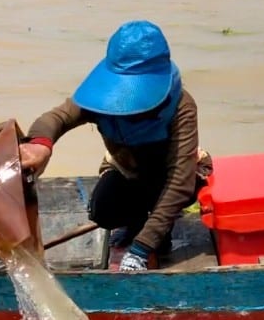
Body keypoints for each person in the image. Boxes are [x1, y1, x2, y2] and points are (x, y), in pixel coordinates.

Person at [19, 20, 212, 272]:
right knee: (104, 210)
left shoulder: (181, 106)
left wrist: (140, 250)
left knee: (170, 200)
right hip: (129, 170)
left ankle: (154, 233)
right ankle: (137, 222)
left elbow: (180, 182)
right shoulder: (101, 97)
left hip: (173, 175)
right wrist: (39, 146)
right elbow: (56, 118)